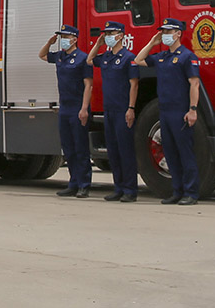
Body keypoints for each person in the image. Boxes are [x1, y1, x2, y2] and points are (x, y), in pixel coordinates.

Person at [133, 18, 200, 205]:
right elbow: (138, 60)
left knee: (185, 153)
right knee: (170, 152)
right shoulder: (162, 56)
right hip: (164, 111)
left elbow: (194, 84)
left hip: (180, 111)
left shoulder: (187, 56)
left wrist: (193, 109)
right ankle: (177, 191)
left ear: (178, 34)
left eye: (169, 32)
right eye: (163, 32)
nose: (165, 36)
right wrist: (152, 42)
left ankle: (191, 193)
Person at [86, 21, 140, 202]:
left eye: (111, 33)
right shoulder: (106, 57)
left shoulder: (128, 57)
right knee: (113, 152)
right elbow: (89, 60)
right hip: (108, 110)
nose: (108, 36)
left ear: (121, 35)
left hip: (123, 109)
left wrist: (131, 108)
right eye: (106, 33)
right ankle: (118, 187)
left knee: (125, 151)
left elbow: (134, 85)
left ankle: (130, 190)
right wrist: (98, 44)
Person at [39, 24, 93, 198]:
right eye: (61, 37)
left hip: (78, 107)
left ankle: (84, 185)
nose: (63, 40)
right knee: (68, 148)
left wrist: (84, 108)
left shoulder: (82, 58)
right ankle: (73, 182)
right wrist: (50, 42)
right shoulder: (60, 56)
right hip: (65, 108)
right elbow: (42, 55)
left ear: (74, 39)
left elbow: (88, 85)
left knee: (80, 148)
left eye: (66, 37)